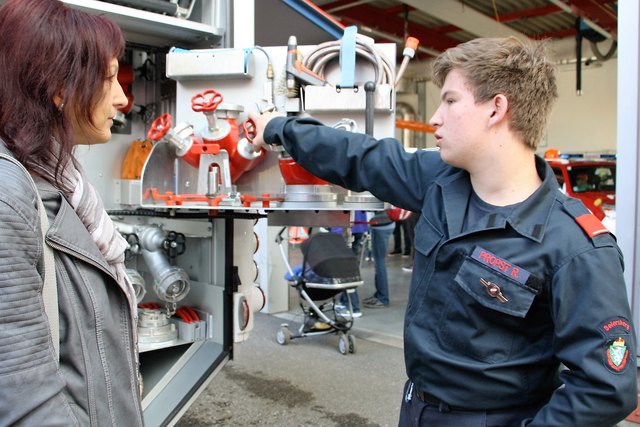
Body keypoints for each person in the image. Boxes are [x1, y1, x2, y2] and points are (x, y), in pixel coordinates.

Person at [249, 37, 637, 426]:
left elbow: (605, 388)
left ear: (496, 108)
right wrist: (279, 127)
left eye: (450, 101)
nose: (435, 117)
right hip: (418, 407)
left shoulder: (575, 247)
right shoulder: (438, 181)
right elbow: (358, 155)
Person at [0, 0, 144, 425]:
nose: (122, 99)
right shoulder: (9, 196)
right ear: (57, 88)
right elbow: (25, 399)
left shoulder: (58, 177)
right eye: (109, 79)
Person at [361, 210, 395, 308]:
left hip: (381, 225)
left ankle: (383, 298)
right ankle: (379, 294)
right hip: (385, 223)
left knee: (380, 263)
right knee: (379, 262)